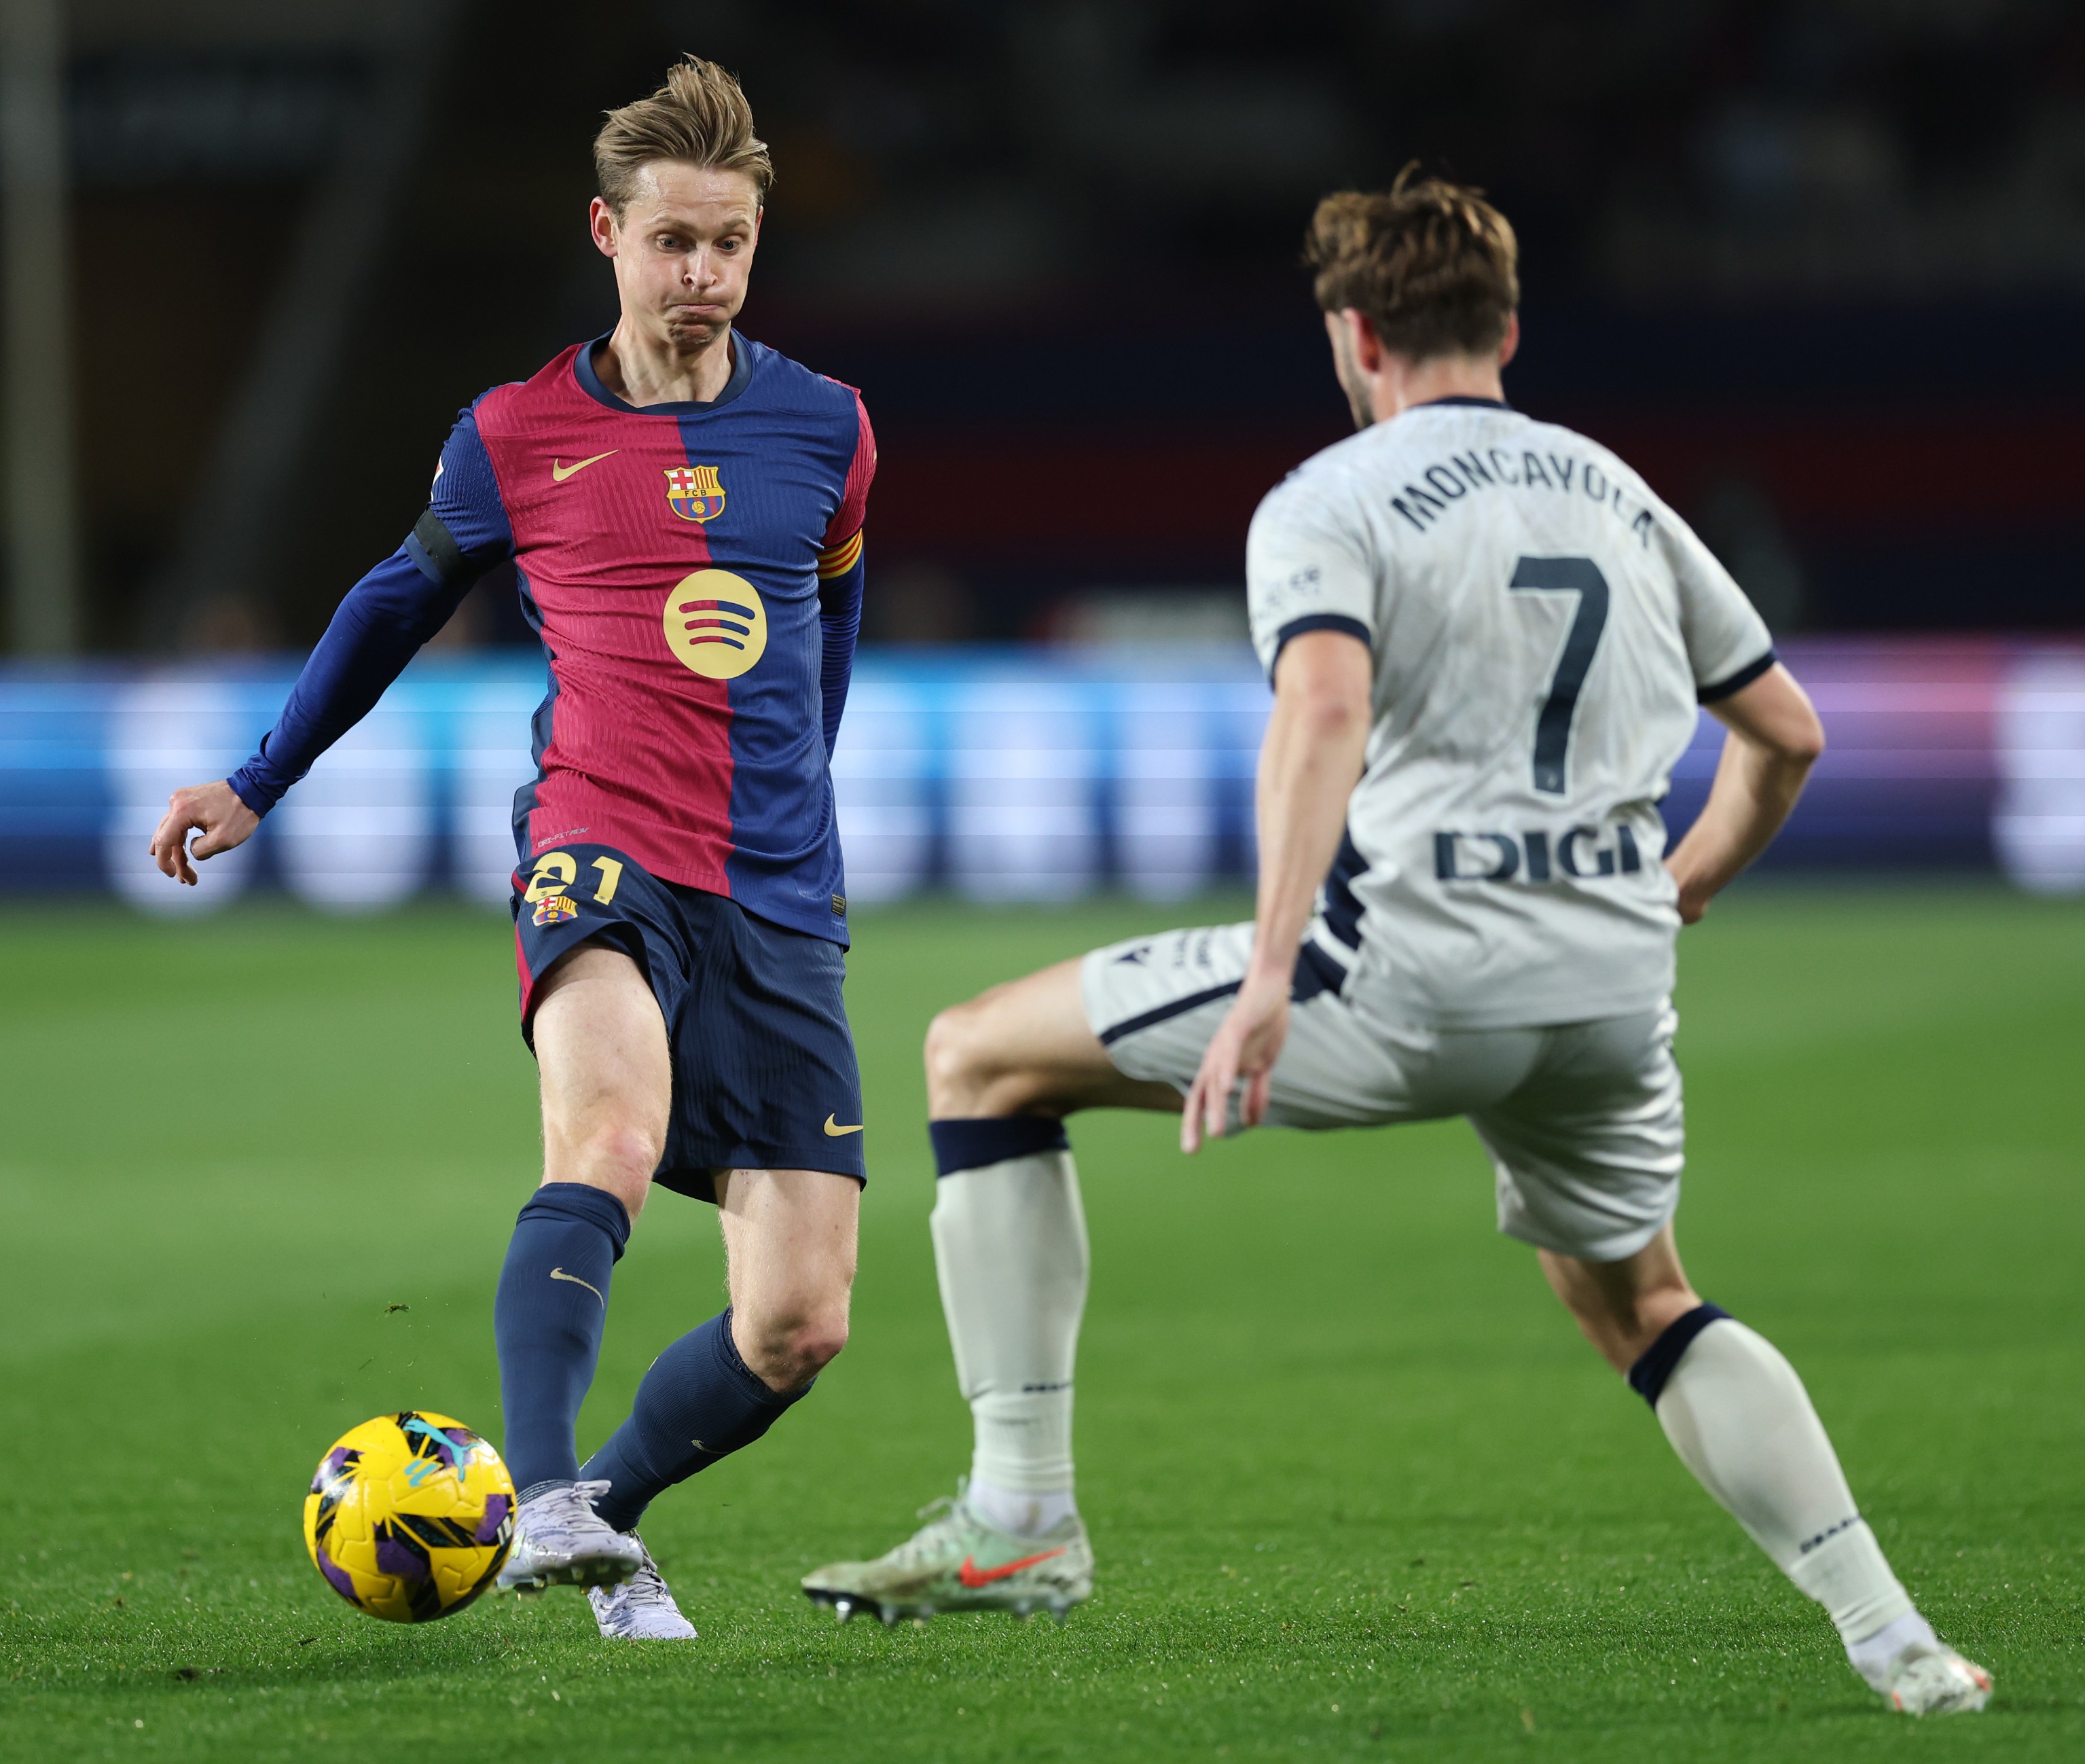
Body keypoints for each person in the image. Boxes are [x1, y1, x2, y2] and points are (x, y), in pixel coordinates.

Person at [803, 169, 1990, 1718]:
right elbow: (1788, 734)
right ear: (1507, 328)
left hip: (1408, 974)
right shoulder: (1618, 492)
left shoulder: (1331, 498)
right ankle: (1898, 1642)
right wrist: (1685, 882)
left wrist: (1272, 971)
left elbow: (1323, 707)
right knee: (1643, 1302)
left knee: (976, 1057)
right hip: (1608, 989)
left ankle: (1021, 1514)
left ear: (1356, 336)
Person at [152, 57, 876, 1642]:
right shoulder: (514, 433)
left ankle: (602, 1514)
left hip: (776, 890)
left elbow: (829, 627)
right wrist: (258, 780)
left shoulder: (828, 427)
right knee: (604, 1137)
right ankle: (538, 1494)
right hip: (598, 843)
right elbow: (389, 605)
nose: (702, 275)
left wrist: (801, 806)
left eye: (730, 244)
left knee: (797, 1321)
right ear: (607, 234)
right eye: (673, 242)